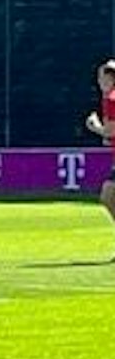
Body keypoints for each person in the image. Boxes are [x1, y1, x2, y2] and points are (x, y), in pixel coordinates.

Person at [84, 61, 115, 251]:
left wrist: (94, 126)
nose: (98, 81)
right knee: (108, 195)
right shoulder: (109, 98)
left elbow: (111, 132)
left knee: (107, 195)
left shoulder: (111, 99)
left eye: (101, 76)